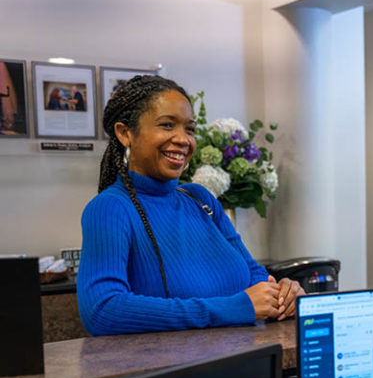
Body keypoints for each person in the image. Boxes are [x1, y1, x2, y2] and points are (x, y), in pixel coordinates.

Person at [77, 75, 303, 336]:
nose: (183, 139)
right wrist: (234, 307)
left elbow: (253, 274)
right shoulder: (110, 208)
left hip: (246, 365)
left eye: (190, 128)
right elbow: (103, 310)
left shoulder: (201, 199)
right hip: (177, 373)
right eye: (167, 125)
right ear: (125, 133)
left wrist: (283, 294)